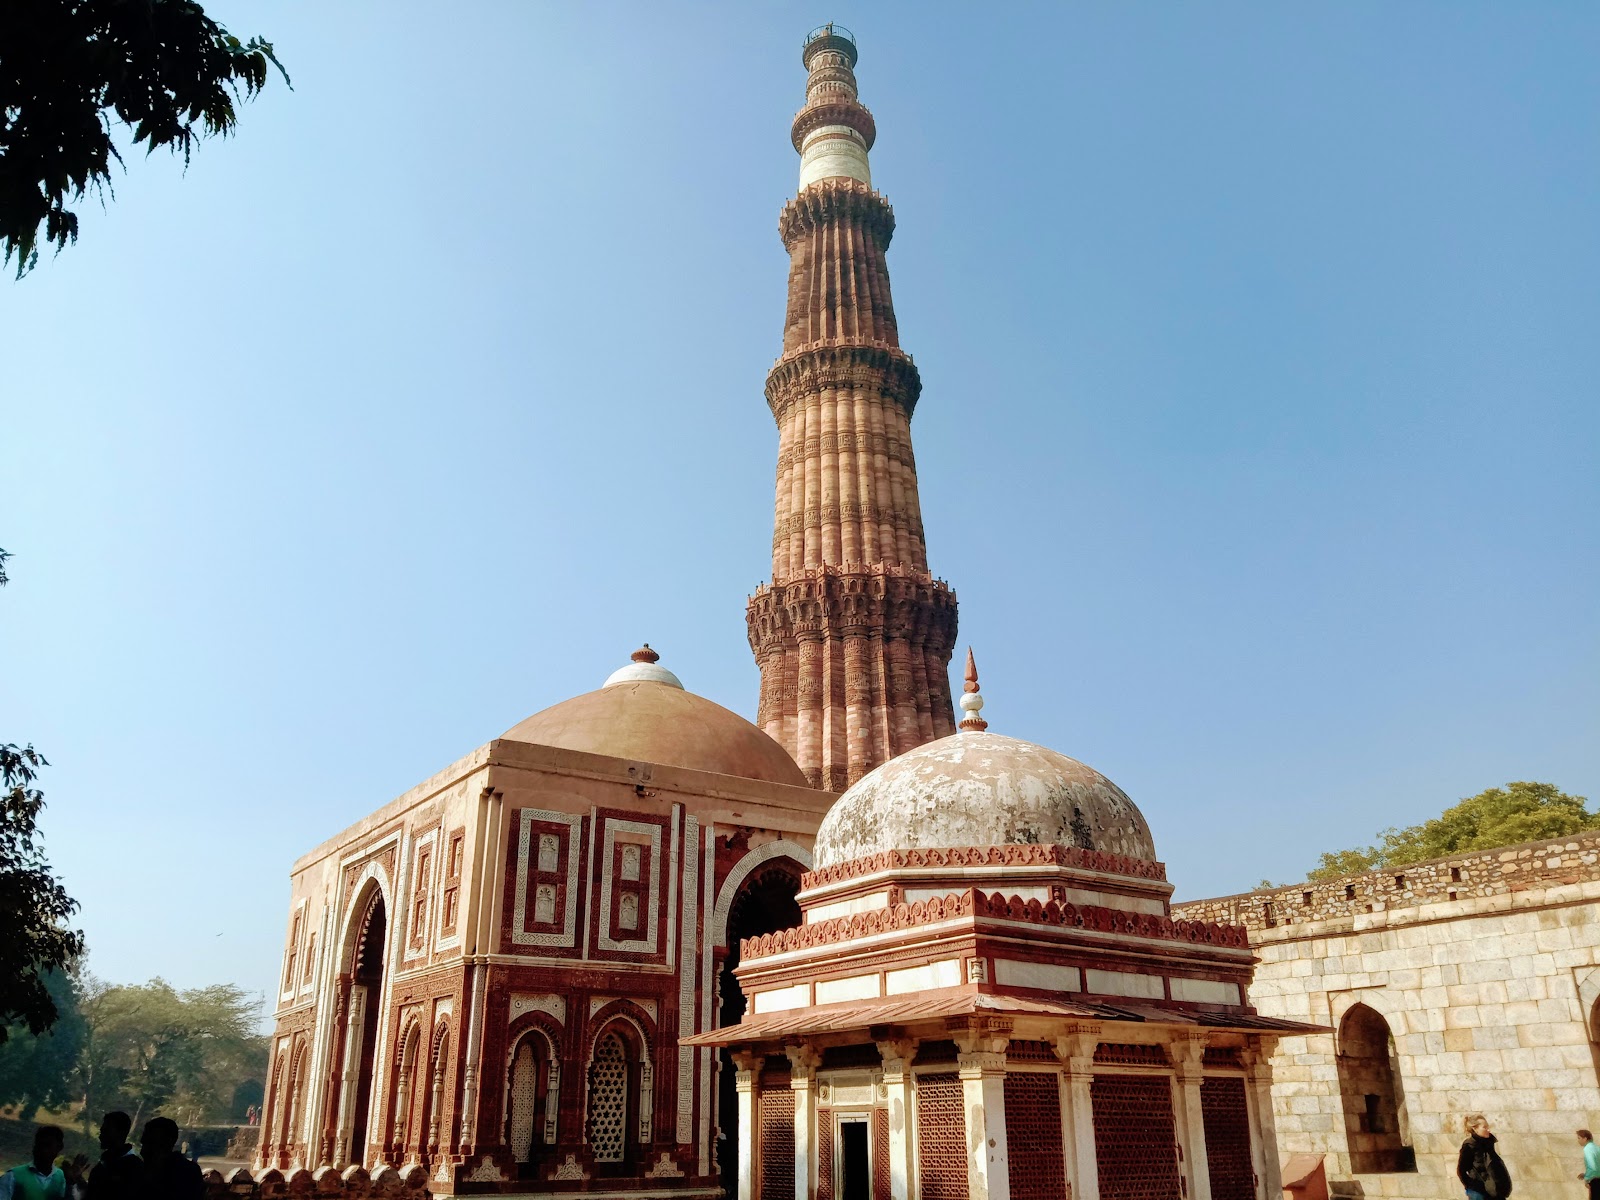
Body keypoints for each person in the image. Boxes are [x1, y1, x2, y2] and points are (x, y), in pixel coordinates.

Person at [137, 1118, 202, 1200]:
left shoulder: (185, 1172)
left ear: (168, 1142)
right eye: (144, 1144)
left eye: (151, 1144)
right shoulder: (189, 1170)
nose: (143, 1151)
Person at [0, 1125, 67, 1200]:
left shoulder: (60, 1176)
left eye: (48, 1145)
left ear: (59, 1147)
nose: (42, 1150)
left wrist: (73, 1183)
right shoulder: (12, 1176)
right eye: (39, 1145)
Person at [85, 1113, 141, 1200]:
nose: (101, 1133)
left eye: (106, 1130)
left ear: (122, 1133)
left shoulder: (134, 1168)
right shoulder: (101, 1166)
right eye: (103, 1129)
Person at [1458, 1113, 1512, 1200]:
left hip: (1495, 1191)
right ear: (1475, 1129)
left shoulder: (1488, 1143)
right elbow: (1461, 1171)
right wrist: (1472, 1187)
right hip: (1479, 1192)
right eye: (1485, 1127)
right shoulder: (1469, 1146)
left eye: (1488, 1127)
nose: (1489, 1130)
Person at [1578, 1129, 1600, 1200]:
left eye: (1579, 1138)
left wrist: (1587, 1179)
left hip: (1595, 1181)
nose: (1578, 1141)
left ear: (1585, 1138)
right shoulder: (1597, 1148)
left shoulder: (1587, 1149)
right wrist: (1585, 1174)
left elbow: (1592, 1167)